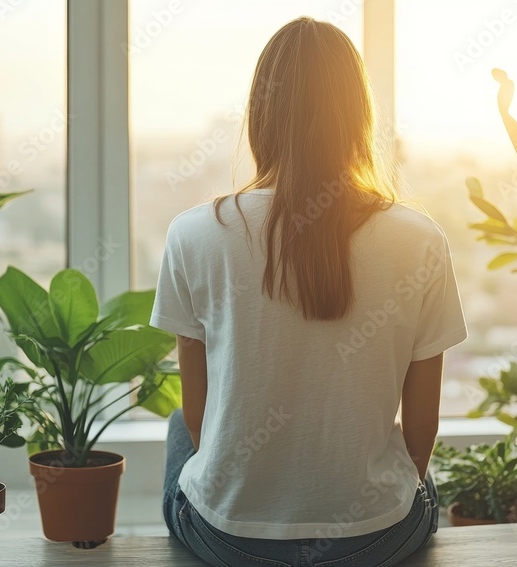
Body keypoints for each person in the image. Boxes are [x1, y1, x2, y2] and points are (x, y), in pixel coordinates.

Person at [151, 16, 467, 567]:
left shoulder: (194, 234)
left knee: (179, 422)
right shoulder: (421, 239)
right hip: (377, 539)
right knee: (403, 466)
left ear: (261, 116)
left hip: (231, 540)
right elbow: (421, 432)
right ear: (359, 118)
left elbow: (200, 421)